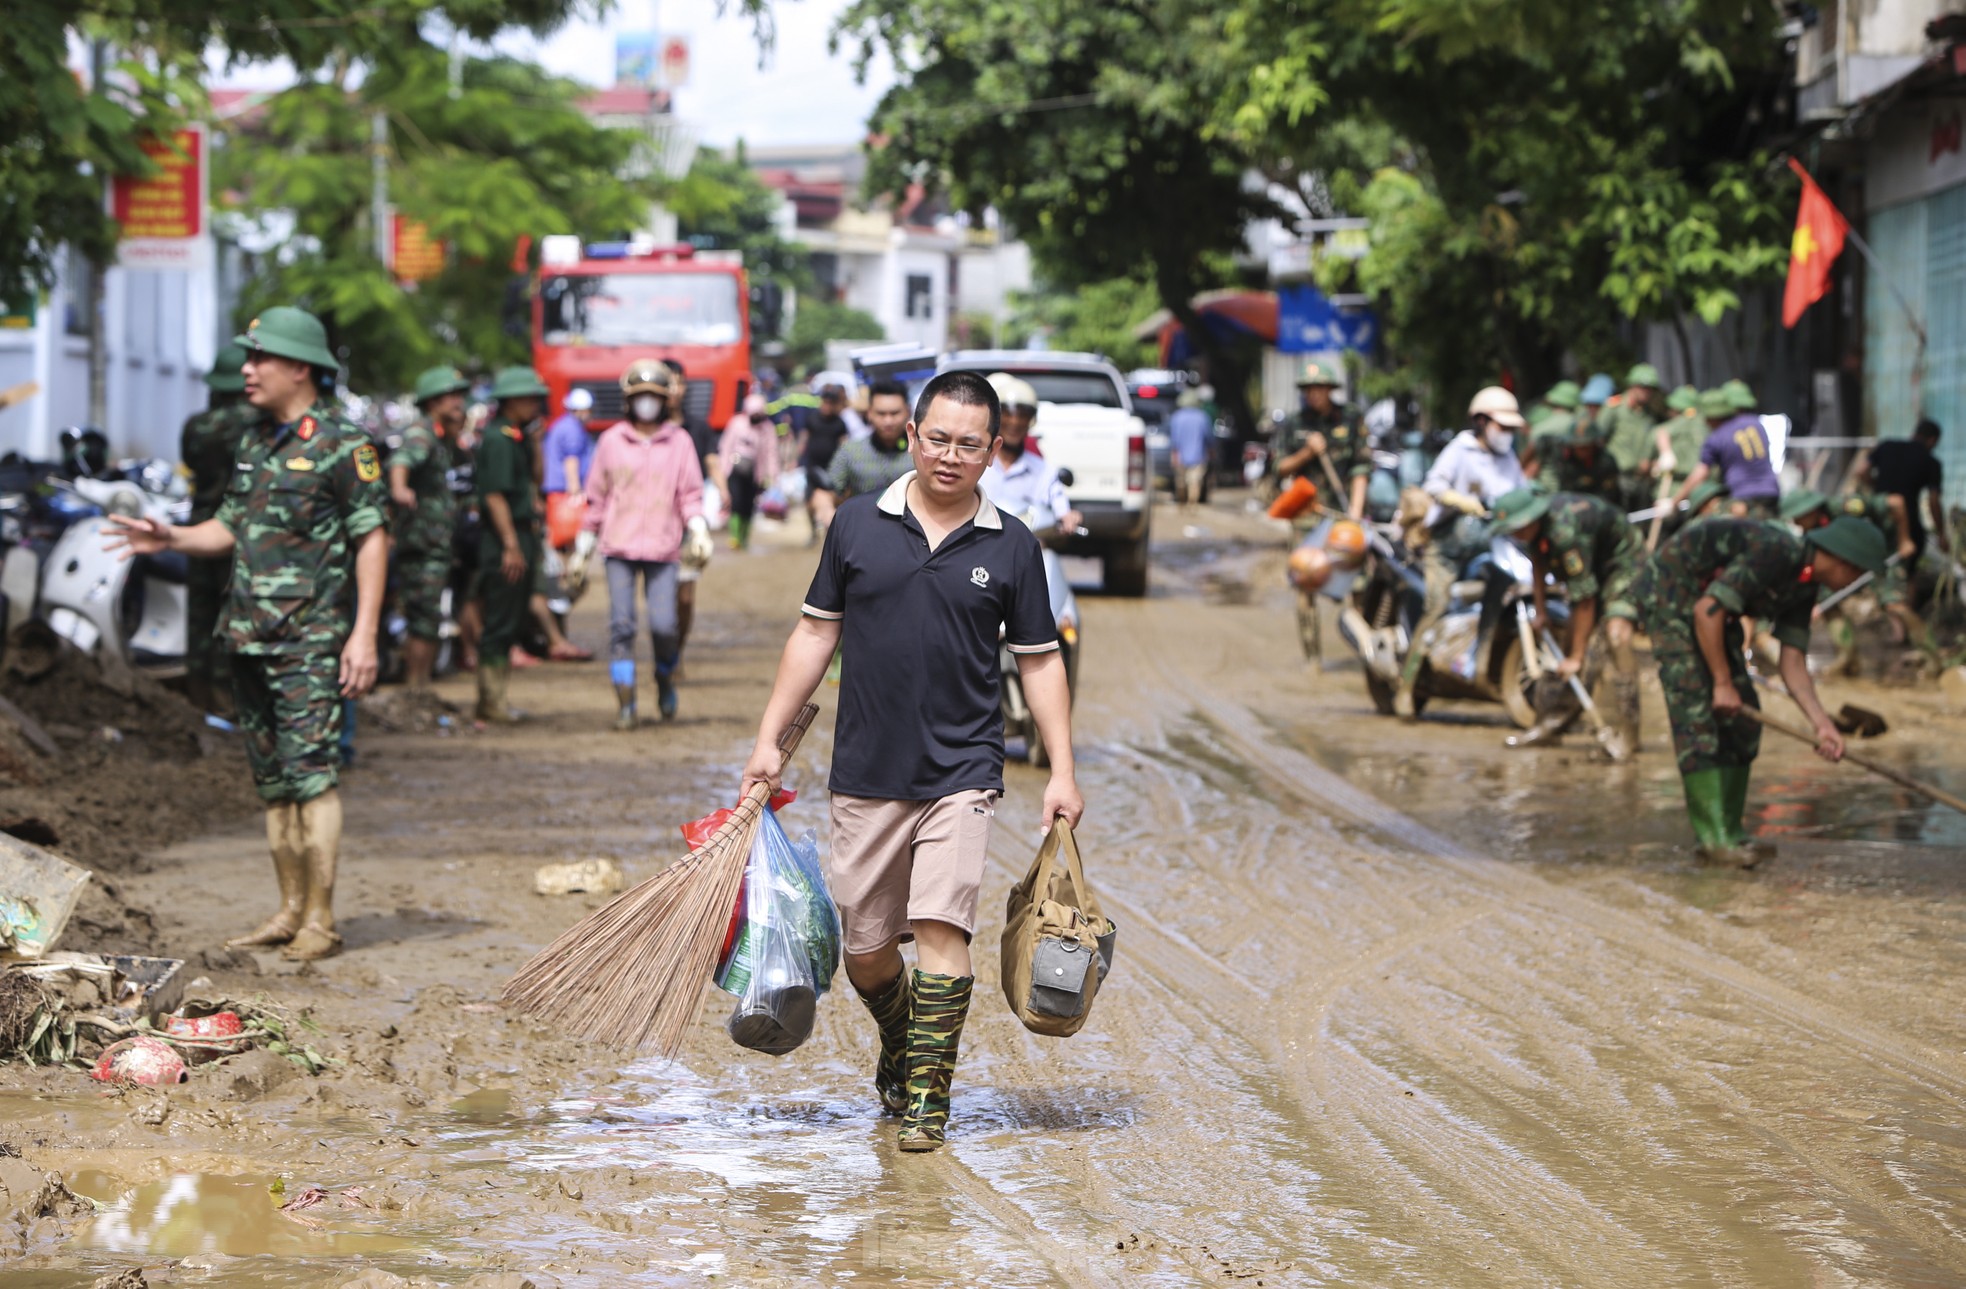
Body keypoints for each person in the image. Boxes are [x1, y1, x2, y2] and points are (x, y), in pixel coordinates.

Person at [740, 369, 1083, 1152]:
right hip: (865, 769)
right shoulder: (857, 525)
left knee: (941, 925)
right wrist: (769, 737)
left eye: (969, 443)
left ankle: (928, 1097)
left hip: (964, 769)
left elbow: (1039, 661)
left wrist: (1061, 768)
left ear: (994, 451)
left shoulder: (1013, 544)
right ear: (911, 436)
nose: (950, 456)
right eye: (938, 438)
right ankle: (903, 1043)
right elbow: (815, 634)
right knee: (864, 951)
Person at [106, 306, 386, 961]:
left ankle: (322, 917)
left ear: (299, 367)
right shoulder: (256, 441)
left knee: (312, 776)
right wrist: (169, 536)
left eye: (260, 359)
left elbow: (372, 538)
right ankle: (289, 908)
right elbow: (228, 525)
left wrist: (363, 634)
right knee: (273, 781)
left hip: (309, 640)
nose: (247, 370)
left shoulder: (345, 444)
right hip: (249, 636)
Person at [1633, 515, 1879, 867]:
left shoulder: (1805, 583)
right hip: (1673, 594)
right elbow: (1706, 610)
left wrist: (1822, 724)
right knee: (1699, 716)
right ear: (1842, 560)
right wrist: (1720, 683)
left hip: (1713, 612)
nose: (1854, 583)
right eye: (1856, 574)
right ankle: (1713, 838)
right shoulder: (1777, 552)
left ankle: (1732, 832)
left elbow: (1792, 662)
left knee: (1744, 719)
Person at [584, 360, 709, 729]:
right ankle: (626, 703)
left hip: (663, 547)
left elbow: (690, 494)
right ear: (629, 400)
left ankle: (665, 677)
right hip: (618, 548)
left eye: (654, 396)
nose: (647, 403)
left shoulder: (680, 442)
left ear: (665, 400)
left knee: (665, 625)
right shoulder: (611, 441)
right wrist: (582, 545)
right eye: (641, 397)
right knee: (621, 625)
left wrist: (698, 528)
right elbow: (598, 496)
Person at [1394, 386, 1530, 720]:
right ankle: (1405, 688)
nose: (1508, 434)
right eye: (1503, 427)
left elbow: (1522, 494)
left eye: (1512, 429)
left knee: (1511, 589)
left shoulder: (1508, 458)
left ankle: (1482, 665)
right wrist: (1462, 501)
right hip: (1447, 548)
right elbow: (1434, 485)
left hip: (1490, 546)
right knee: (1436, 608)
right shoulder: (1461, 449)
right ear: (1482, 422)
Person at [1487, 488, 1643, 752]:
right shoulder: (1531, 531)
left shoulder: (1565, 533)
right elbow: (1538, 559)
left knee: (1616, 637)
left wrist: (1577, 658)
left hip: (1624, 563)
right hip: (1592, 566)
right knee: (1569, 643)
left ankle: (1630, 734)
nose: (1514, 534)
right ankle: (1549, 726)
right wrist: (1541, 611)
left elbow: (1585, 599)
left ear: (1531, 519)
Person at [178, 342, 259, 717]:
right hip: (241, 530)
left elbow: (190, 460)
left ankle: (198, 700)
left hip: (199, 526)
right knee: (234, 615)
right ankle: (229, 704)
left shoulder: (198, 425)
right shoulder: (258, 423)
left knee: (200, 615)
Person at [473, 366, 552, 722]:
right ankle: (490, 701)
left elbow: (537, 479)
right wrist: (510, 545)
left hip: (521, 533)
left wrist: (535, 442)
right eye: (529, 398)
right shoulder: (498, 439)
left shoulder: (517, 436)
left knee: (511, 617)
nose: (535, 404)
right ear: (511, 401)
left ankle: (497, 698)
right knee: (500, 619)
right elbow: (494, 497)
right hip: (506, 537)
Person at [388, 365, 468, 688]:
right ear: (432, 401)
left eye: (459, 395)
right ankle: (414, 687)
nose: (457, 402)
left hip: (435, 544)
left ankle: (420, 686)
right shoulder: (422, 432)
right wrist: (399, 489)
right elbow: (400, 462)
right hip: (420, 545)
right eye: (449, 396)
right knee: (423, 617)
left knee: (429, 617)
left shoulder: (446, 441)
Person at [1780, 487, 1922, 669]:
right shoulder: (1814, 531)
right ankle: (1848, 658)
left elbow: (1896, 502)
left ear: (1811, 510)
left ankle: (1931, 655)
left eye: (1798, 517)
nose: (1797, 523)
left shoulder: (1845, 506)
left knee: (1893, 604)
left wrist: (1904, 539)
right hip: (1851, 563)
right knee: (1827, 603)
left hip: (1884, 554)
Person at [658, 360, 725, 669]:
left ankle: (675, 653)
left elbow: (712, 462)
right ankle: (663, 654)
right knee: (660, 600)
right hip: (653, 525)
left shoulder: (697, 427)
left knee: (684, 598)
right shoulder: (642, 429)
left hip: (688, 522)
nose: (674, 389)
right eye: (668, 382)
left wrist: (723, 490)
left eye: (679, 382)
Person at [1868, 418, 1950, 628]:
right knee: (1908, 574)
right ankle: (1906, 627)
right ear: (1932, 441)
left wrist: (1877, 492)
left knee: (1881, 568)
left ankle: (1895, 626)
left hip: (1879, 517)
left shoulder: (1887, 446)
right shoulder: (1931, 462)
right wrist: (1942, 534)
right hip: (1909, 521)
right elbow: (1933, 502)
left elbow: (1861, 471)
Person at [981, 373, 1082, 534]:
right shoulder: (977, 463)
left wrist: (1067, 517)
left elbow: (1058, 503)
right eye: (1008, 414)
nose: (1015, 422)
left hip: (1023, 549)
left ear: (1030, 421)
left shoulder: (1043, 471)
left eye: (1022, 415)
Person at [1272, 363, 1369, 518]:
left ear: (1330, 388)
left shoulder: (1350, 417)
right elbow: (1280, 468)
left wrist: (1356, 510)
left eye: (1319, 388)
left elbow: (1361, 467)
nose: (1314, 394)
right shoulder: (1294, 422)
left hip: (1343, 508)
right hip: (1307, 512)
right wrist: (1307, 453)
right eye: (1309, 389)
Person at [1671, 387, 1779, 521]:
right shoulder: (1755, 423)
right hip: (1771, 492)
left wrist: (1674, 502)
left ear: (1711, 417)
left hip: (1743, 498)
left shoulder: (1716, 438)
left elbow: (1700, 474)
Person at [815, 380, 915, 520]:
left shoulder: (922, 451)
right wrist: (826, 510)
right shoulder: (850, 451)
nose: (888, 421)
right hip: (865, 530)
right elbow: (826, 491)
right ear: (869, 414)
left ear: (908, 412)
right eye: (881, 413)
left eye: (894, 413)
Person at [1529, 379, 1619, 502]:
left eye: (1586, 447)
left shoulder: (1605, 462)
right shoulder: (1563, 458)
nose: (1582, 451)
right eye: (1578, 447)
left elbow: (1609, 494)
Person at [1600, 363, 1663, 511]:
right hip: (1618, 477)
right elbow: (1599, 439)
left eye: (1650, 389)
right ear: (1632, 386)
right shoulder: (1614, 408)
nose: (1647, 392)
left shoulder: (1649, 414)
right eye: (1643, 387)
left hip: (1641, 479)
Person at [720, 393, 779, 551]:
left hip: (754, 473)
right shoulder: (736, 423)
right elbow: (726, 446)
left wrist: (772, 475)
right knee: (736, 502)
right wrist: (723, 469)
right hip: (735, 471)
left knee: (749, 505)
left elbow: (770, 452)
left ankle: (745, 537)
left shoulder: (767, 428)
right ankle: (735, 537)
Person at [800, 384, 852, 541]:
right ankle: (813, 532)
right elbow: (804, 438)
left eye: (831, 403)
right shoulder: (812, 418)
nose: (827, 406)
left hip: (832, 468)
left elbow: (844, 444)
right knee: (809, 501)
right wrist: (794, 459)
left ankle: (831, 532)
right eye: (825, 402)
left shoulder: (839, 423)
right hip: (812, 466)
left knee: (832, 499)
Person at [543, 387, 597, 500]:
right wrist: (575, 492)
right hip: (565, 494)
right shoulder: (572, 429)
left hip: (559, 492)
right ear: (582, 410)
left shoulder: (563, 425)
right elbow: (571, 461)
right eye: (590, 410)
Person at [1168, 388, 1214, 508]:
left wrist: (1174, 455)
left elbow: (1174, 440)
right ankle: (1192, 504)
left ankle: (1182, 503)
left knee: (1181, 482)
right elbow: (1209, 437)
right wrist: (1211, 451)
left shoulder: (1176, 417)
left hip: (1180, 456)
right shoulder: (1203, 417)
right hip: (1198, 455)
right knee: (1195, 482)